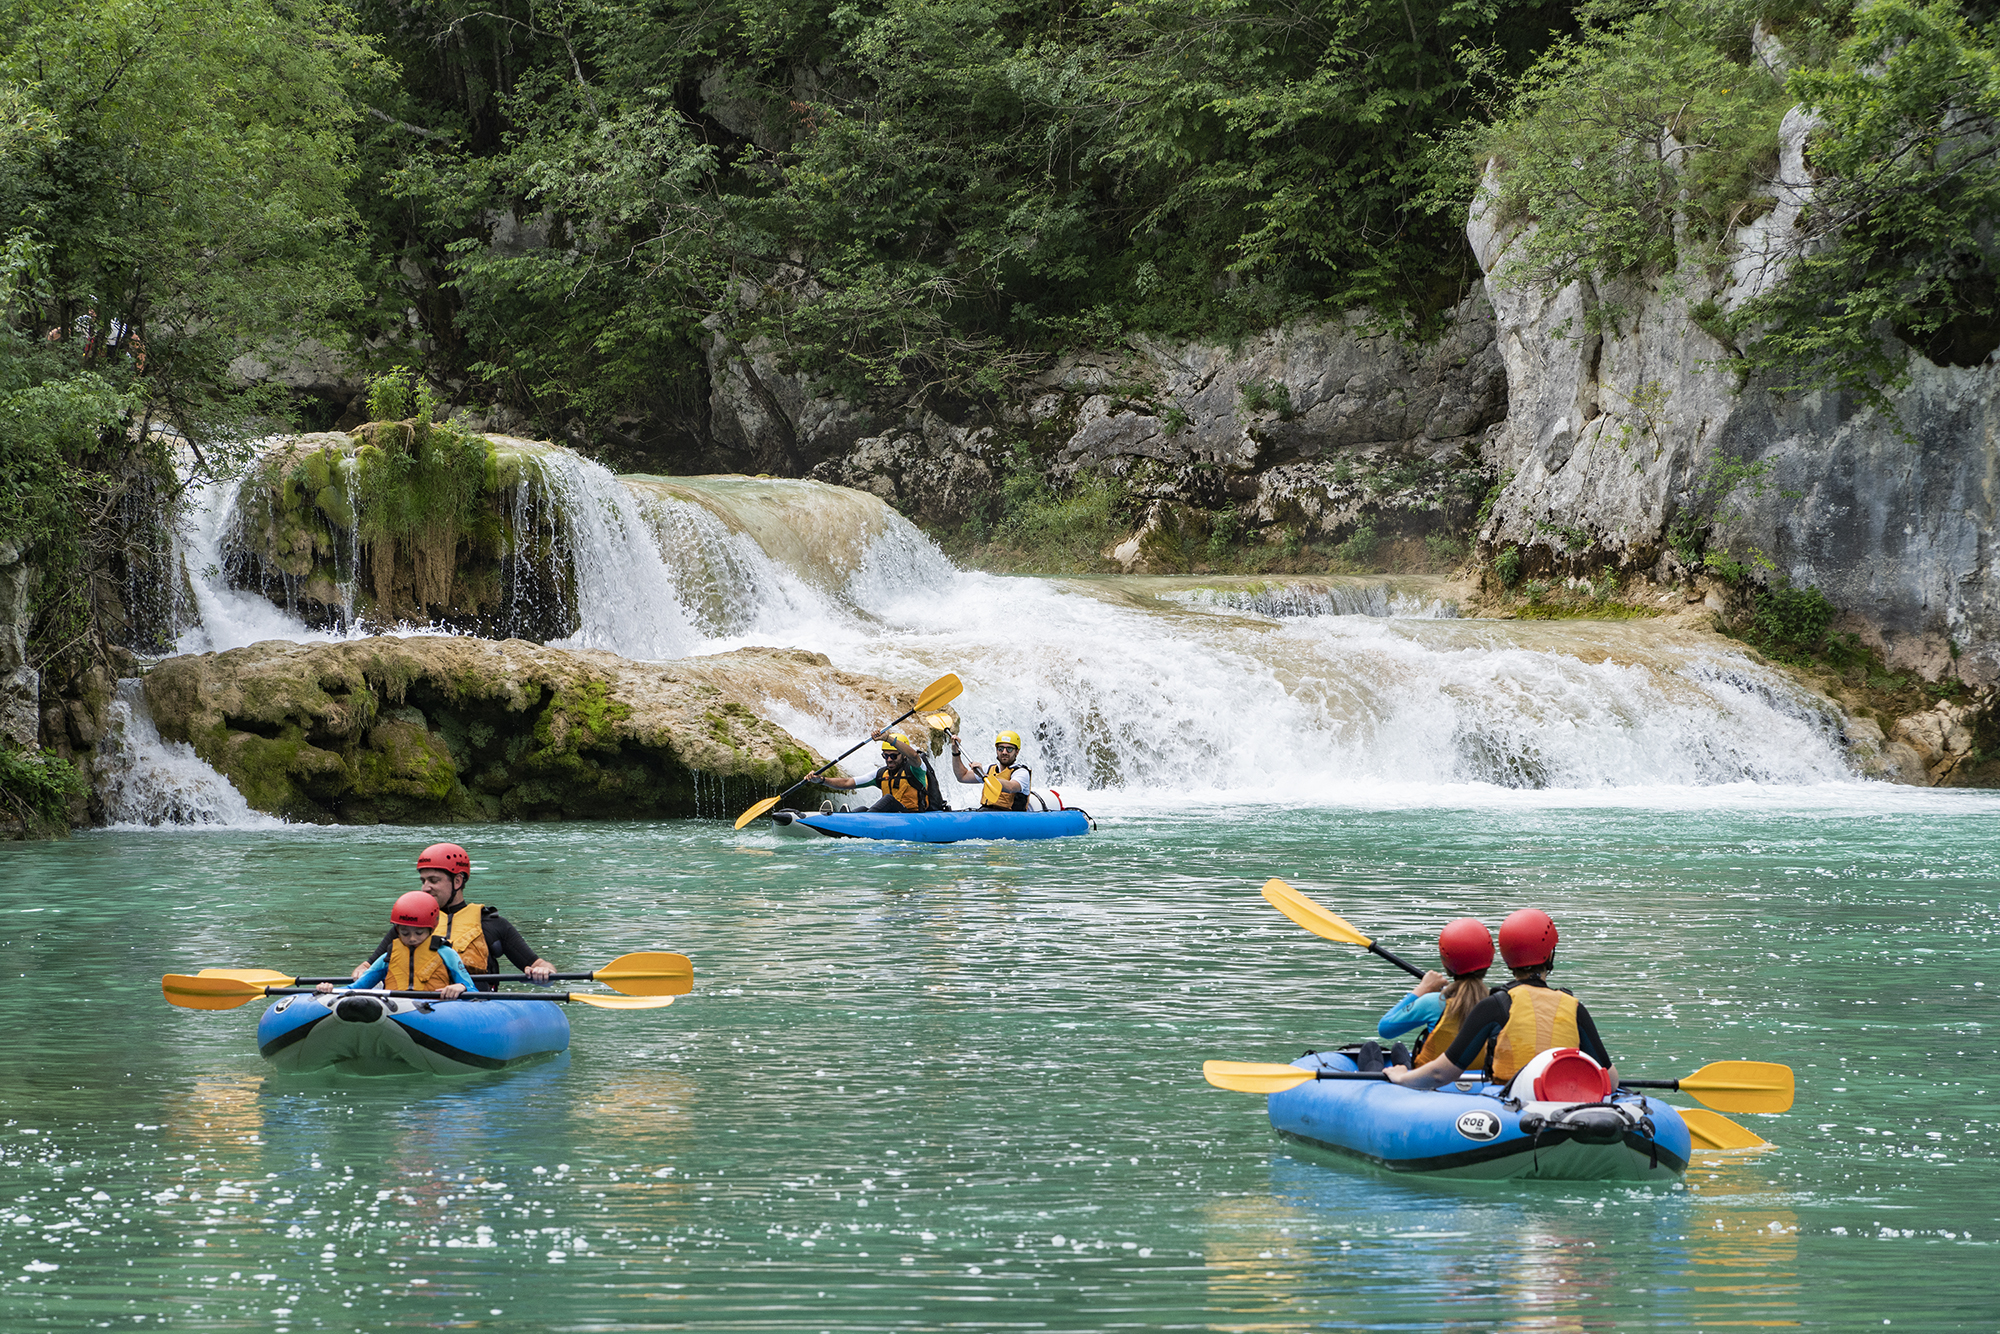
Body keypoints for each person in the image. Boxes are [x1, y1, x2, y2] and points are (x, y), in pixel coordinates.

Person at [1385, 908, 1616, 1092]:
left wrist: (1402, 1077)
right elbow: (1611, 1080)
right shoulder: (1573, 1006)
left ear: (1505, 956)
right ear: (1549, 954)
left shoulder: (1495, 1005)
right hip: (1562, 1100)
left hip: (1510, 1108)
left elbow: (1440, 1074)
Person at [352, 843, 556, 991]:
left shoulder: (493, 925)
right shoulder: (411, 925)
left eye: (433, 880)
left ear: (457, 881)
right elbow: (367, 967)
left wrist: (543, 972)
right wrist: (361, 972)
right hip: (415, 1004)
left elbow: (542, 966)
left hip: (470, 1009)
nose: (425, 888)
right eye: (423, 880)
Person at [1359, 918, 1492, 1072]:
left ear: (1446, 962)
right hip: (1481, 1080)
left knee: (1370, 1049)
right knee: (1398, 1050)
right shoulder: (1499, 1001)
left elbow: (1385, 1028)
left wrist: (1423, 988)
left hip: (1432, 1080)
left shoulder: (1433, 1002)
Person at [318, 892, 478, 999]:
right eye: (405, 933)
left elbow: (473, 990)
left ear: (431, 929)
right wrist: (330, 989)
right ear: (397, 930)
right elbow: (357, 987)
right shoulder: (387, 957)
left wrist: (460, 987)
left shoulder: (446, 954)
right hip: (397, 1011)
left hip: (437, 1010)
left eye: (419, 933)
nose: (412, 939)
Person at [816, 730, 947, 812]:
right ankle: (845, 818)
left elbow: (914, 756)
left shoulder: (916, 770)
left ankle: (859, 820)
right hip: (891, 818)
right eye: (885, 755)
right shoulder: (881, 774)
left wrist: (888, 739)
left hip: (912, 816)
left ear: (903, 755)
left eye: (894, 756)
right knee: (862, 809)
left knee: (888, 799)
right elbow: (847, 783)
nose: (889, 759)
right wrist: (821, 780)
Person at [949, 728, 1031, 811]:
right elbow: (962, 776)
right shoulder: (990, 769)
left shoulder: (1021, 772)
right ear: (996, 750)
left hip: (1011, 817)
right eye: (1001, 748)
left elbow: (1011, 787)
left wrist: (984, 776)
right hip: (988, 813)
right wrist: (955, 752)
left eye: (1009, 749)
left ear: (1017, 752)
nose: (1004, 752)